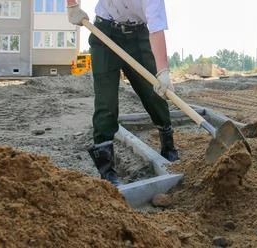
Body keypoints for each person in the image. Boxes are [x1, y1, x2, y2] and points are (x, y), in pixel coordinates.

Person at [66, 0, 179, 186]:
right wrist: (72, 6)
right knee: (106, 103)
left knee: (154, 95)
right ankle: (107, 172)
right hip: (105, 33)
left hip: (139, 37)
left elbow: (156, 28)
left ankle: (169, 147)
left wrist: (163, 71)